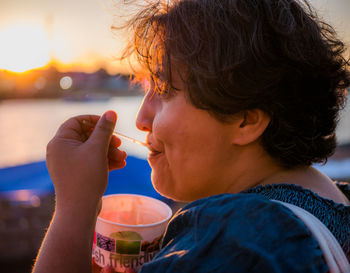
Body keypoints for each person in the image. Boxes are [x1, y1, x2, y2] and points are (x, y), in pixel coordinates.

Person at [33, 0, 350, 272]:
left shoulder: (236, 239)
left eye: (164, 90)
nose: (142, 119)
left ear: (245, 120)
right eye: (147, 90)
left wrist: (75, 207)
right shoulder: (332, 208)